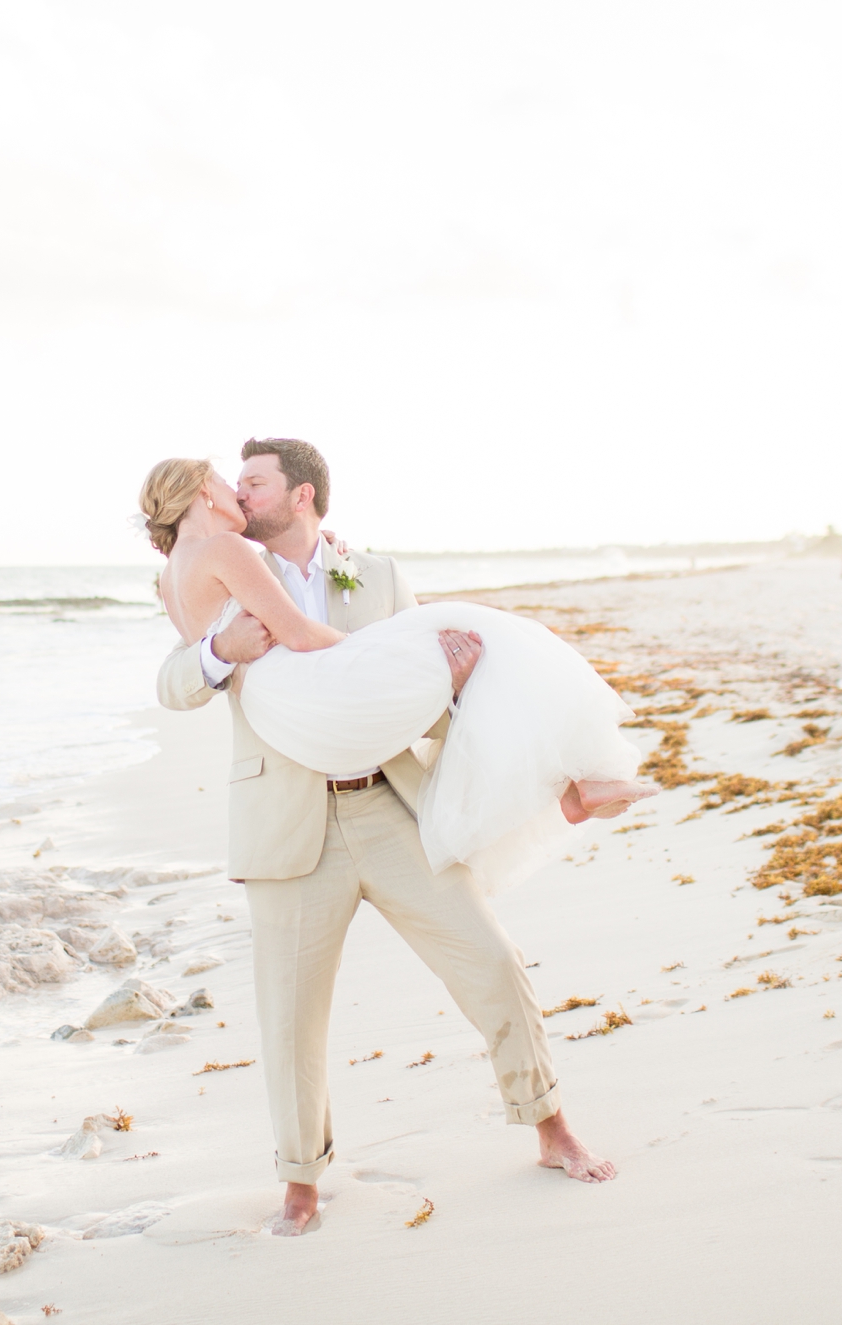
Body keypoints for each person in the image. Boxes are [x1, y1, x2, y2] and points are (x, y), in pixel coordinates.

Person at [148, 440, 636, 1236]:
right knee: (290, 1016)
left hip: (388, 807)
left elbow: (413, 683)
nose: (240, 490)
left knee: (492, 963)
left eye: (256, 480)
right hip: (287, 825)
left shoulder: (372, 575)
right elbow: (172, 683)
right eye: (233, 482)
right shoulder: (218, 565)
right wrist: (217, 651)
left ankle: (552, 1127)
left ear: (301, 495)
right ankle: (300, 1183)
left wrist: (455, 681)